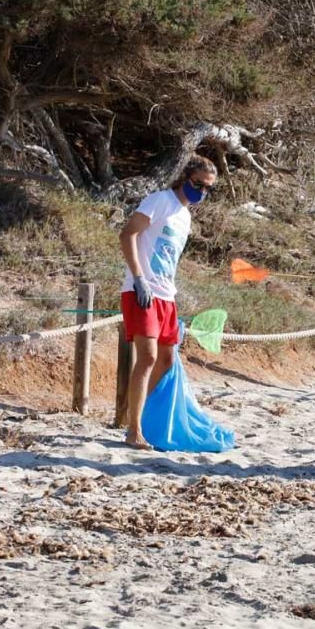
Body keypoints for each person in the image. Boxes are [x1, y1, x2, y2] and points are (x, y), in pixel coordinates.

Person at [118, 155, 218, 449]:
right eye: (199, 183)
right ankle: (132, 429)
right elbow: (128, 234)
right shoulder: (160, 200)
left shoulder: (185, 216)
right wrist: (138, 278)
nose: (202, 191)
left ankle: (145, 421)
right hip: (141, 290)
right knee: (147, 357)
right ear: (185, 177)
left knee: (166, 359)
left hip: (166, 294)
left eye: (208, 188)